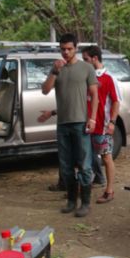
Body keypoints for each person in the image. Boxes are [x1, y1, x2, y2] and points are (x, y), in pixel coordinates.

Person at [40, 33, 98, 217]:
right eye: (63, 49)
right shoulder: (57, 68)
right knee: (65, 166)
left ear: (76, 48)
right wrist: (54, 71)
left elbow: (94, 95)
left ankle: (86, 203)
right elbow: (45, 90)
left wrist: (93, 118)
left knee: (84, 164)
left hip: (81, 122)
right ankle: (71, 201)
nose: (66, 52)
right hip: (63, 124)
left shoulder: (86, 68)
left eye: (69, 49)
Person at [82, 45, 120, 204]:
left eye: (86, 59)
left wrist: (112, 122)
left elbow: (116, 102)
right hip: (86, 126)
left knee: (106, 157)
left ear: (95, 58)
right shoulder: (86, 76)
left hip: (102, 127)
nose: (84, 63)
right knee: (85, 158)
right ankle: (84, 188)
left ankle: (109, 190)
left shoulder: (108, 78)